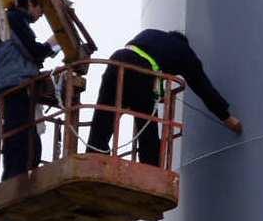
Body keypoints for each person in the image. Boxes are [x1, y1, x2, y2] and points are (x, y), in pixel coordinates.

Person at [87, 29, 242, 166]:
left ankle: (93, 156)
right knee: (147, 122)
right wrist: (226, 116)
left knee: (105, 112)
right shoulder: (184, 51)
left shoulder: (149, 34)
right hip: (142, 71)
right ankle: (150, 169)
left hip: (117, 60)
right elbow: (202, 85)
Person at [0, 0, 58, 180]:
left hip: (14, 87)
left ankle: (19, 180)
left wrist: (52, 46)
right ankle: (15, 181)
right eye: (41, 8)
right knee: (21, 141)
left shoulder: (13, 21)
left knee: (27, 142)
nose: (41, 14)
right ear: (30, 3)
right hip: (14, 87)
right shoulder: (14, 19)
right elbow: (34, 52)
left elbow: (33, 55)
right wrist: (54, 42)